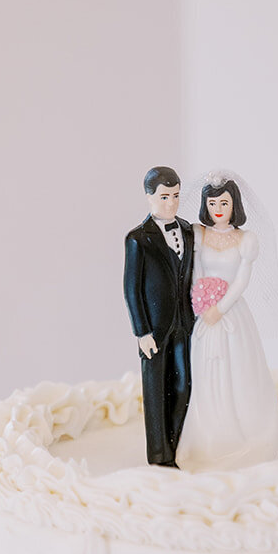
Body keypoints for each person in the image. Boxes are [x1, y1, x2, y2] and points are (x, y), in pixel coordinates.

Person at [175, 174, 278, 472]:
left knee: (237, 368)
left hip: (232, 314)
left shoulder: (246, 240)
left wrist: (220, 308)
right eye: (212, 203)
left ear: (234, 204)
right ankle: (210, 434)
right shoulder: (199, 234)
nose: (218, 209)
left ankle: (244, 432)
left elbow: (241, 280)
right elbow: (196, 270)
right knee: (206, 370)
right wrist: (202, 304)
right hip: (205, 315)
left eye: (224, 202)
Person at [123, 166, 195, 467]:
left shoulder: (189, 231)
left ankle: (178, 447)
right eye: (164, 197)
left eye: (176, 196)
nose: (171, 204)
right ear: (149, 197)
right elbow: (131, 289)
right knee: (155, 392)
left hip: (185, 324)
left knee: (184, 386)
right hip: (155, 328)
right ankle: (159, 456)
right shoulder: (138, 239)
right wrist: (142, 332)